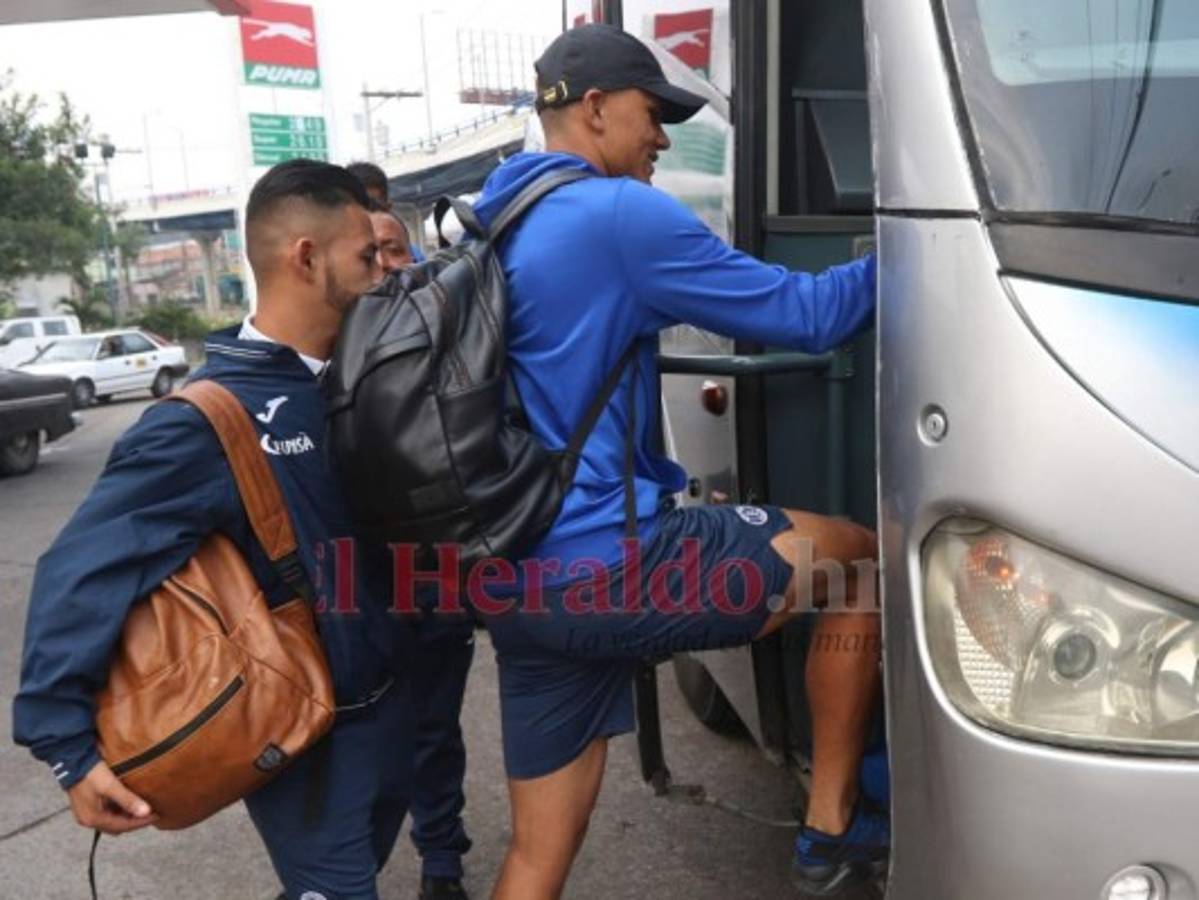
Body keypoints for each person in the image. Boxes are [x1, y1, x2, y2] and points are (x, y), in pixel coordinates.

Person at [468, 24, 885, 898]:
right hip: (608, 568)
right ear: (593, 108)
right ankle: (830, 830)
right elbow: (806, 316)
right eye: (652, 114)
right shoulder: (617, 214)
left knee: (536, 857)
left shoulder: (492, 215)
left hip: (512, 577)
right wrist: (922, 251)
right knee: (854, 562)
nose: (662, 137)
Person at [13, 159, 417, 900]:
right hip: (310, 738)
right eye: (367, 257)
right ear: (306, 257)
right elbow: (81, 569)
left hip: (397, 707)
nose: (385, 274)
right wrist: (67, 747)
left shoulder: (367, 380)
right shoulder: (209, 417)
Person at [361, 188, 474, 900]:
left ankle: (441, 862)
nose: (381, 269)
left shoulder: (454, 340)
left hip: (430, 581)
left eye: (393, 250)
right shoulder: (305, 365)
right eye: (365, 254)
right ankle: (343, 872)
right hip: (346, 591)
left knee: (432, 728)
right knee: (358, 743)